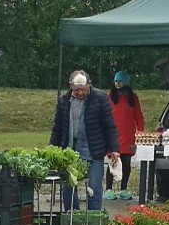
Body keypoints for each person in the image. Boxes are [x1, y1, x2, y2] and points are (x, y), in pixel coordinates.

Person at [49, 70, 120, 212]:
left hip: (93, 150)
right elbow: (57, 129)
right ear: (70, 86)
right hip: (70, 150)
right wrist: (51, 149)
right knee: (68, 188)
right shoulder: (64, 101)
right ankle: (72, 219)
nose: (80, 92)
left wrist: (114, 149)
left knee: (93, 188)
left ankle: (93, 222)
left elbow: (109, 125)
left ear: (89, 85)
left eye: (83, 89)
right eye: (76, 90)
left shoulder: (100, 98)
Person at [104, 70, 144, 200]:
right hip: (113, 135)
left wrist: (141, 132)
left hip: (128, 136)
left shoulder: (133, 98)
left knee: (127, 163)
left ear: (126, 82)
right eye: (115, 81)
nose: (117, 83)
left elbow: (138, 116)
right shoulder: (109, 97)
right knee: (112, 162)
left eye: (120, 81)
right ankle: (108, 189)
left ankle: (123, 189)